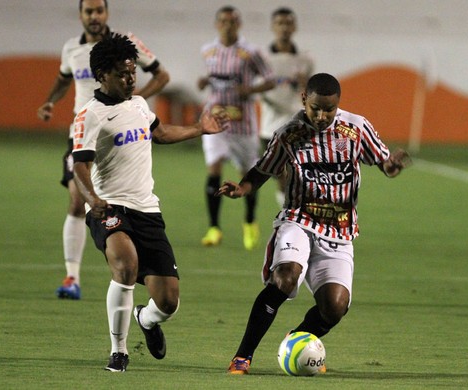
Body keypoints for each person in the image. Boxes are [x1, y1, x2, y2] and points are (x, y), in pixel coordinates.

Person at [218, 73, 411, 374]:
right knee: (285, 277)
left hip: (339, 229)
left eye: (329, 109)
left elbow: (383, 161)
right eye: (316, 108)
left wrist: (392, 165)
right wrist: (241, 188)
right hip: (299, 219)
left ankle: (295, 343)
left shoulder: (357, 128)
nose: (322, 116)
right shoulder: (289, 134)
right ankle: (243, 356)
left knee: (335, 307)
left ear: (338, 105)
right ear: (303, 99)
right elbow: (262, 170)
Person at [71, 33, 229, 372]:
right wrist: (92, 199)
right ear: (101, 75)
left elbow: (159, 133)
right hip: (109, 206)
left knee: (169, 301)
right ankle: (119, 350)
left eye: (133, 72)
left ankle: (147, 318)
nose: (131, 79)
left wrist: (199, 129)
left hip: (147, 209)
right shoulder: (91, 115)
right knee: (125, 265)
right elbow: (79, 164)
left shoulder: (140, 105)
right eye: (122, 74)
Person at [37, 0, 169, 300]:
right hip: (82, 135)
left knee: (111, 200)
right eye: (88, 11)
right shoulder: (71, 48)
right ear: (81, 15)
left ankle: (122, 252)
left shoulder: (126, 45)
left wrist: (134, 102)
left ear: (107, 14)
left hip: (119, 135)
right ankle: (72, 276)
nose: (94, 16)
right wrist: (49, 101)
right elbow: (62, 80)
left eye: (99, 10)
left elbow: (163, 76)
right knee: (76, 201)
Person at [197, 5, 275, 250]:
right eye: (223, 21)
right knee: (214, 168)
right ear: (217, 24)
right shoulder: (208, 51)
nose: (228, 25)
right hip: (215, 120)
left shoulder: (250, 52)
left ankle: (250, 221)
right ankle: (214, 227)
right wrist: (204, 81)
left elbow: (271, 79)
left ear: (239, 24)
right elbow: (215, 80)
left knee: (247, 173)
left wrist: (250, 90)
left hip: (243, 123)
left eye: (232, 21)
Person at [259, 7, 314, 206]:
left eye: (288, 23)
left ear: (294, 27)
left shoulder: (305, 59)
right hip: (270, 125)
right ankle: (288, 207)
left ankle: (290, 213)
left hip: (296, 123)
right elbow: (256, 90)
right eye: (280, 23)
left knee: (295, 171)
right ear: (273, 27)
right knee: (280, 174)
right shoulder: (263, 59)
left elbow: (310, 93)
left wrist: (305, 83)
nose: (284, 28)